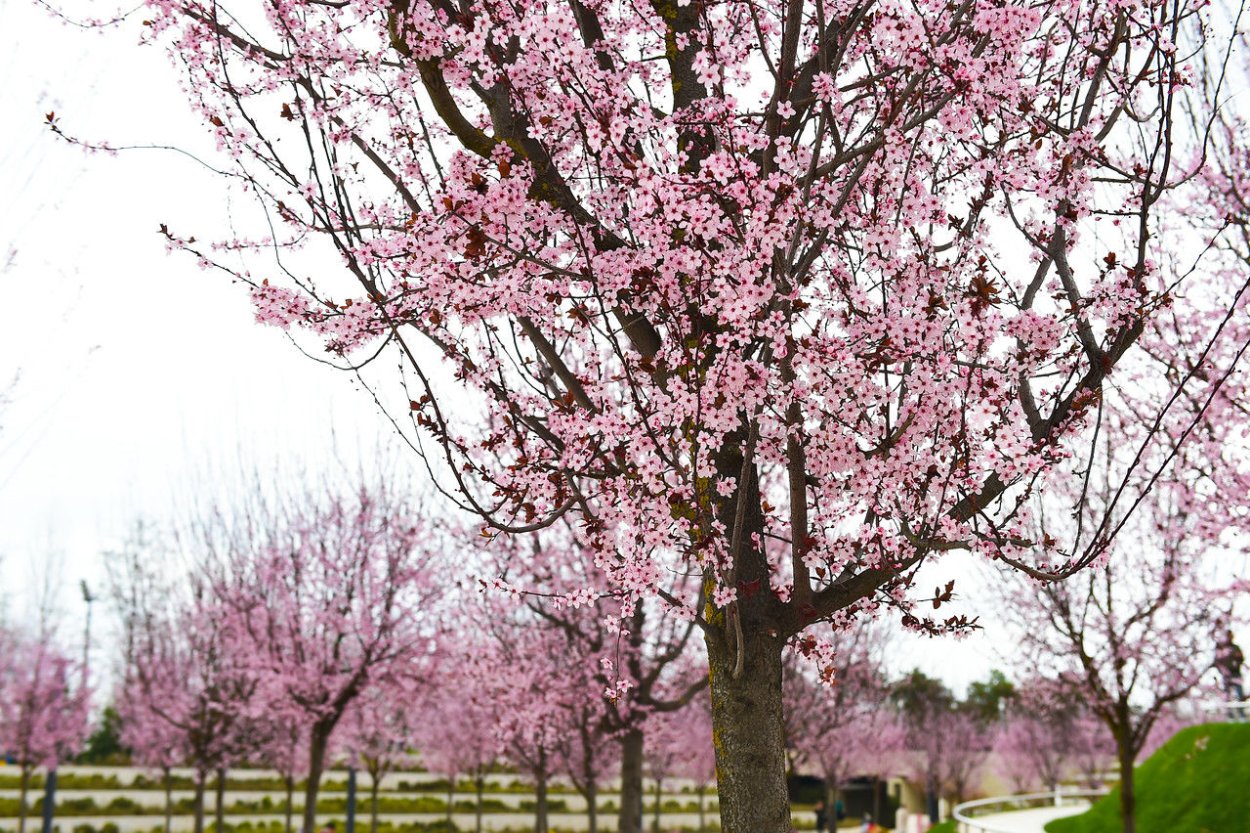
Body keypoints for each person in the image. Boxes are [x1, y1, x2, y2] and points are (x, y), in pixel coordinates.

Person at [1215, 629, 1245, 720]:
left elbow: (1241, 658)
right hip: (1226, 677)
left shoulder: (1236, 648)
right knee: (1227, 697)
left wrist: (1237, 663)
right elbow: (1218, 662)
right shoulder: (1221, 649)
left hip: (1236, 675)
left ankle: (1241, 716)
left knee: (1240, 696)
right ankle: (1230, 717)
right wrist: (1223, 671)